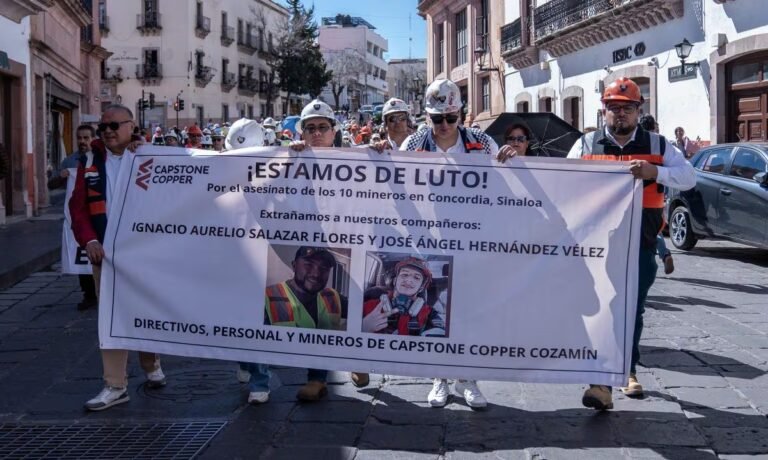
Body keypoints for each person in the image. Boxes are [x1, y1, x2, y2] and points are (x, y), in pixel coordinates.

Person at [567, 77, 695, 409]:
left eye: (627, 108)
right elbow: (563, 182)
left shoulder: (660, 145)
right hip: (597, 246)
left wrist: (656, 173)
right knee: (600, 309)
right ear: (603, 111)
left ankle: (628, 370)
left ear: (639, 111)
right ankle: (601, 380)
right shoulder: (586, 144)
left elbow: (689, 177)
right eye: (613, 108)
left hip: (641, 242)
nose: (620, 114)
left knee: (632, 309)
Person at [401, 78, 497, 409]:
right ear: (427, 117)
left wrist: (511, 158)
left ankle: (467, 378)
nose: (444, 126)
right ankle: (439, 376)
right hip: (429, 240)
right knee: (438, 308)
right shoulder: (414, 143)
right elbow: (393, 179)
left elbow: (506, 179)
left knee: (469, 309)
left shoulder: (482, 142)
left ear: (461, 116)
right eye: (437, 119)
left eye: (450, 118)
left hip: (471, 239)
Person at [69, 104, 167, 411]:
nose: (108, 132)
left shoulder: (150, 156)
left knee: (145, 309)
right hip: (107, 255)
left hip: (144, 252)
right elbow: (78, 208)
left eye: (114, 126)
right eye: (103, 127)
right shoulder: (89, 161)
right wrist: (89, 240)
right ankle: (115, 384)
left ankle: (151, 363)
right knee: (110, 317)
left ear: (131, 126)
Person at [48, 124, 99, 311]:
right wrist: (61, 177)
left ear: (93, 138)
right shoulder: (69, 161)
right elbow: (51, 185)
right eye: (79, 138)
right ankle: (89, 294)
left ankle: (103, 292)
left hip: (99, 213)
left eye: (86, 138)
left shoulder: (101, 158)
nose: (82, 141)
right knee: (82, 256)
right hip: (78, 217)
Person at [362, 257, 445, 336]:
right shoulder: (369, 306)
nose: (409, 280)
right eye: (404, 274)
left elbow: (440, 332)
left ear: (421, 287)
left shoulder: (429, 314)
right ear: (395, 280)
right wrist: (363, 326)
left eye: (416, 277)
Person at [639, 115, 676, 275]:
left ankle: (662, 255)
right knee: (655, 229)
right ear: (653, 126)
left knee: (649, 231)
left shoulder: (637, 143)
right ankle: (665, 254)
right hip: (656, 195)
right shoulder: (660, 143)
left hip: (636, 197)